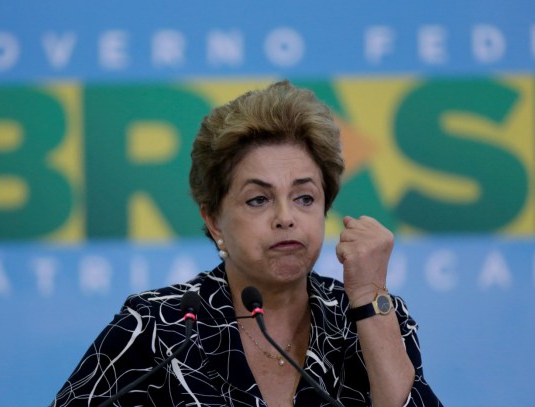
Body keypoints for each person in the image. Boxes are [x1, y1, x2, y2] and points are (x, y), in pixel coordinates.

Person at [51, 81, 443, 406]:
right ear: (214, 219)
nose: (286, 217)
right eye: (259, 199)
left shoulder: (370, 318)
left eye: (305, 197)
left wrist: (370, 292)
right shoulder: (157, 327)